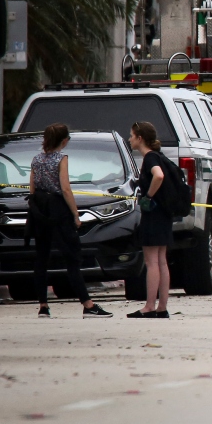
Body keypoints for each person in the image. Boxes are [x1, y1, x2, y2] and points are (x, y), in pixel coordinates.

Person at [29, 124, 112, 318]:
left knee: (41, 258)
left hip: (40, 209)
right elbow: (65, 188)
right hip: (58, 210)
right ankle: (87, 304)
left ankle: (43, 305)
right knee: (72, 257)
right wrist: (75, 213)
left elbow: (32, 188)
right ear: (64, 141)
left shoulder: (36, 159)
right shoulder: (61, 159)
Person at [127, 121, 172, 318]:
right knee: (162, 260)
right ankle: (162, 306)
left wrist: (148, 197)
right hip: (164, 214)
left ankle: (149, 306)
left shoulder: (150, 158)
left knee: (151, 261)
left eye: (131, 136)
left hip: (152, 214)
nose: (129, 139)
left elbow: (158, 176)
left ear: (140, 138)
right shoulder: (160, 156)